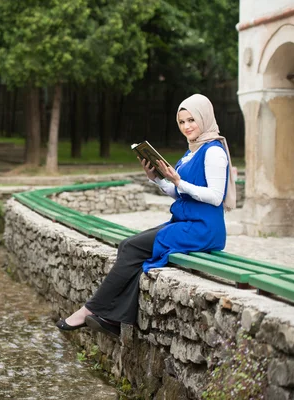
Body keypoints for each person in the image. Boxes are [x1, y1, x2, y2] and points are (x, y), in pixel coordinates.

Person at [56, 94, 237, 338]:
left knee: (132, 248)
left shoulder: (214, 152)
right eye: (182, 122)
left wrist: (179, 181)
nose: (187, 127)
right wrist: (158, 179)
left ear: (205, 118)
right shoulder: (191, 152)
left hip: (203, 228)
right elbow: (180, 193)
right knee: (129, 246)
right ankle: (113, 320)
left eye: (192, 120)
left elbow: (216, 197)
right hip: (187, 223)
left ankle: (91, 310)